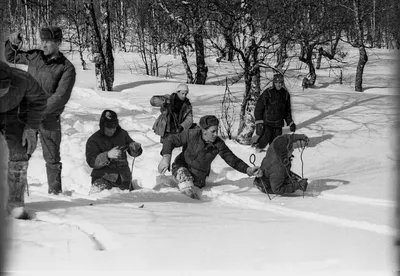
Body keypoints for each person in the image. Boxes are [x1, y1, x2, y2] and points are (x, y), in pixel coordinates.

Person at [5, 26, 76, 195]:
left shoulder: (66, 68)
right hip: (26, 116)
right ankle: (15, 195)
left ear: (58, 42)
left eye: (48, 42)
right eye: (42, 41)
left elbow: (60, 96)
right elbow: (10, 56)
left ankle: (55, 193)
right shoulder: (35, 56)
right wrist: (12, 43)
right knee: (19, 155)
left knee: (52, 157)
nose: (44, 45)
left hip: (49, 118)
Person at [158, 115, 263, 199]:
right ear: (204, 131)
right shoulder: (191, 134)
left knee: (192, 192)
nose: (216, 134)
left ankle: (198, 207)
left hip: (198, 178)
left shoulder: (218, 144)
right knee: (183, 176)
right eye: (213, 131)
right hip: (181, 167)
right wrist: (166, 157)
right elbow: (170, 140)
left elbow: (232, 159)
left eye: (217, 131)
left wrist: (248, 169)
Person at [0, 61, 47, 218]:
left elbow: (39, 101)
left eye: (3, 88)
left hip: (16, 114)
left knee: (20, 153)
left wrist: (31, 128)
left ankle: (15, 202)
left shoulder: (23, 79)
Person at [86, 110, 143, 193]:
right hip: (103, 179)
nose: (112, 130)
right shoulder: (94, 140)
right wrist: (107, 155)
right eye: (109, 128)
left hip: (124, 180)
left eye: (114, 127)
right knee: (99, 199)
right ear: (102, 126)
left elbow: (134, 152)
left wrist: (135, 148)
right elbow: (92, 161)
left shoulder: (123, 134)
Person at [254, 73, 296, 150]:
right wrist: (259, 122)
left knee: (276, 143)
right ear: (274, 83)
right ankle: (256, 151)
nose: (278, 85)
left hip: (278, 124)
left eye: (280, 82)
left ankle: (273, 155)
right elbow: (259, 107)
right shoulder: (268, 93)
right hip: (267, 122)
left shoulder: (286, 95)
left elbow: (287, 111)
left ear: (282, 83)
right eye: (276, 82)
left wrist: (290, 123)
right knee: (264, 140)